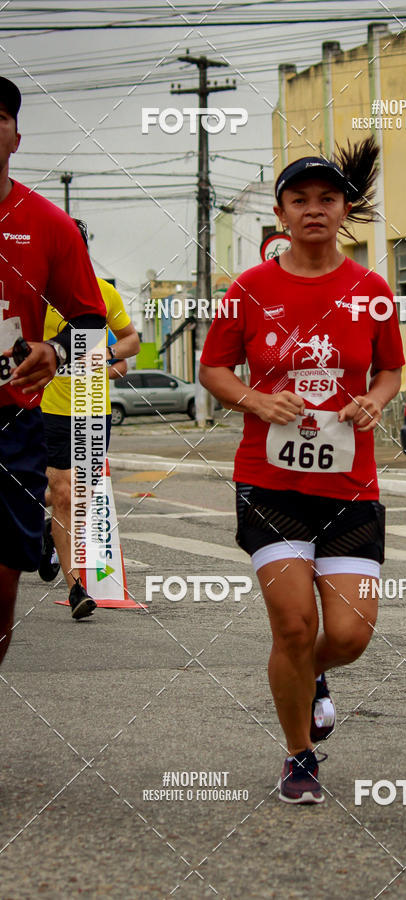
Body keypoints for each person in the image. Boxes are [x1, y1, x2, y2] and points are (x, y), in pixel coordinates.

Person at [199, 137, 405, 804]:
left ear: (345, 209)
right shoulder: (249, 290)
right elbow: (213, 369)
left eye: (327, 198)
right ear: (281, 215)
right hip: (271, 482)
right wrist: (255, 398)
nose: (314, 209)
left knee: (346, 635)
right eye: (299, 200)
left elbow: (390, 370)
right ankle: (299, 756)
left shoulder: (371, 291)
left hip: (349, 488)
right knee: (293, 626)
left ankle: (307, 675)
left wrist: (373, 402)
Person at [0, 77, 106, 664]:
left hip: (12, 427)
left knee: (2, 591)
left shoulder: (48, 225)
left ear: (16, 135)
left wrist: (57, 352)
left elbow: (91, 323)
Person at [38, 221, 140, 618]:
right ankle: (77, 586)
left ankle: (51, 533)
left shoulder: (104, 292)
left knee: (79, 497)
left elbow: (130, 340)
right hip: (49, 409)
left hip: (93, 410)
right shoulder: (37, 293)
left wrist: (107, 358)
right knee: (61, 492)